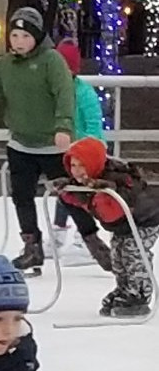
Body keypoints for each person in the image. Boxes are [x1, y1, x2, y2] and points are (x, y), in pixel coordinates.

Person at [0, 7, 98, 274]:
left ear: (36, 37)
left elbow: (64, 93)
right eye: (14, 35)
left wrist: (63, 126)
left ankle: (92, 240)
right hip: (21, 144)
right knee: (22, 197)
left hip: (53, 145)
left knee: (70, 195)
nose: (18, 41)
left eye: (24, 36)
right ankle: (32, 246)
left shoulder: (51, 61)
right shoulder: (7, 65)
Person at [56, 137, 159, 317]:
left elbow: (114, 212)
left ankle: (140, 293)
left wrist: (100, 193)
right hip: (121, 227)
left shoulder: (117, 179)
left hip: (144, 221)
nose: (77, 171)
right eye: (73, 166)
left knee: (132, 253)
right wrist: (67, 193)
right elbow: (84, 203)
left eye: (82, 165)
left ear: (93, 163)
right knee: (117, 256)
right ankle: (124, 289)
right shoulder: (87, 184)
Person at [45, 38, 110, 269]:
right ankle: (59, 235)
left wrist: (89, 151)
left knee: (80, 195)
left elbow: (93, 124)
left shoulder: (84, 93)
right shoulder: (52, 90)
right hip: (67, 151)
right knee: (65, 192)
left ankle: (80, 240)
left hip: (84, 152)